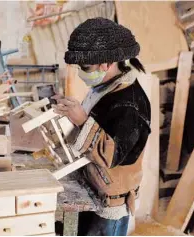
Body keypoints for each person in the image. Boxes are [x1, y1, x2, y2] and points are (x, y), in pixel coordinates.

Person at [52, 18, 151, 236]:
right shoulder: (104, 88)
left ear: (106, 64)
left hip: (111, 198)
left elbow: (112, 155)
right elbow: (98, 125)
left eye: (85, 67)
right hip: (93, 185)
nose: (81, 72)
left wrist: (81, 120)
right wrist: (71, 112)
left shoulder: (129, 103)